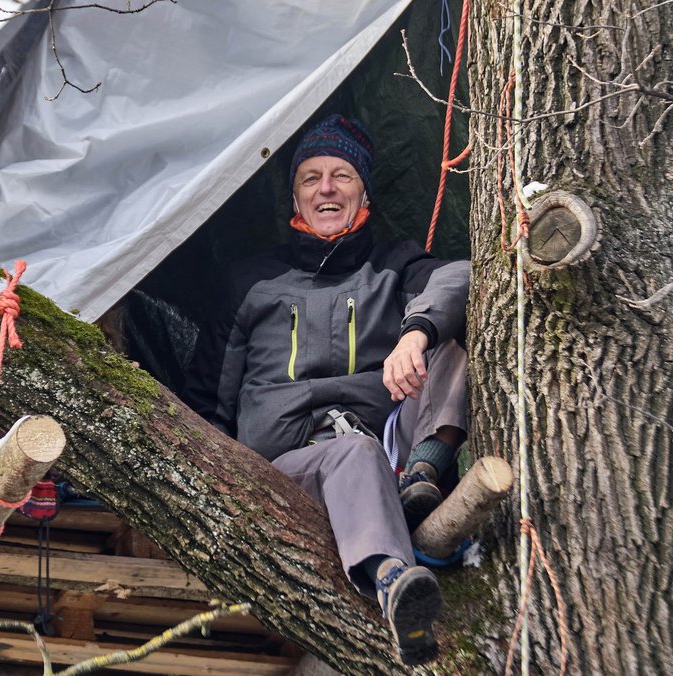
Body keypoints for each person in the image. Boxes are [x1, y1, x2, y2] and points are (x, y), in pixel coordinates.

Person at [183, 114, 469, 665]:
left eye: (342, 175)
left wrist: (415, 333)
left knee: (449, 334)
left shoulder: (394, 265)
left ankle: (425, 475)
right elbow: (207, 400)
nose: (327, 189)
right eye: (311, 178)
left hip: (392, 447)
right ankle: (394, 583)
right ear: (295, 197)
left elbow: (459, 276)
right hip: (289, 468)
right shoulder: (251, 281)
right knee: (351, 454)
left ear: (364, 191)